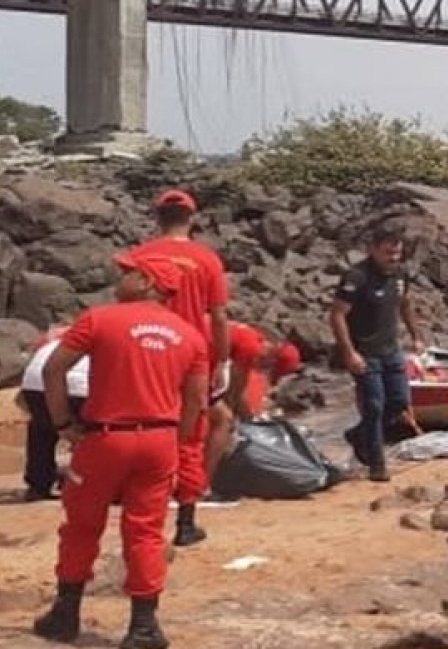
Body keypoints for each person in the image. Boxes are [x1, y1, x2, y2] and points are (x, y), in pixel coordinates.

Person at [31, 253, 208, 649]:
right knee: (145, 531)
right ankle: (144, 626)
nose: (121, 277)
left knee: (81, 525)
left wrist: (62, 424)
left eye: (129, 272)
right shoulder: (190, 335)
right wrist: (176, 444)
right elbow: (196, 399)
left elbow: (52, 369)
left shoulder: (100, 318)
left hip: (106, 438)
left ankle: (65, 614)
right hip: (160, 439)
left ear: (148, 282)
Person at [129, 188, 230, 546]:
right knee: (190, 434)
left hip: (143, 350)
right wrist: (222, 360)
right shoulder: (206, 260)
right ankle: (186, 520)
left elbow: (124, 301)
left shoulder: (138, 257)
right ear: (192, 217)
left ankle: (143, 516)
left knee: (143, 428)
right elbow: (218, 317)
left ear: (157, 216)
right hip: (189, 354)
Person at [330, 226, 427, 483]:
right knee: (373, 406)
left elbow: (405, 304)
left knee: (399, 403)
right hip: (364, 351)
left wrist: (416, 336)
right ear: (372, 250)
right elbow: (337, 314)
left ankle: (358, 436)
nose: (393, 258)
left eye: (397, 253)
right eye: (387, 253)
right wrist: (349, 353)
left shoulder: (400, 274)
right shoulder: (357, 276)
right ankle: (377, 464)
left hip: (391, 349)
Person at [203, 321, 303, 483]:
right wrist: (242, 422)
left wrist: (248, 419)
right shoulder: (250, 349)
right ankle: (201, 484)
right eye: (265, 367)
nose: (259, 368)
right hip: (188, 354)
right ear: (271, 358)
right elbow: (234, 393)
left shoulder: (246, 335)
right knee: (224, 420)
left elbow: (235, 393)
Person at [19, 327, 89, 501]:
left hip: (33, 382)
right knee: (93, 432)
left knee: (40, 429)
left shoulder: (60, 336)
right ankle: (85, 482)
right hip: (75, 384)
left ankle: (38, 483)